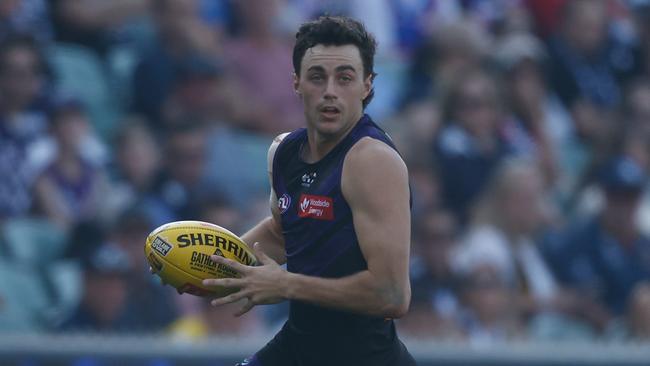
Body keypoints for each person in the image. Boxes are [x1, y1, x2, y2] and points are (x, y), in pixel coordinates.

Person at [200, 16, 415, 366]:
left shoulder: (372, 160)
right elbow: (283, 231)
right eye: (317, 77)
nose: (330, 90)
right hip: (299, 346)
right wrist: (205, 266)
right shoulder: (283, 151)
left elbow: (392, 295)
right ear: (297, 83)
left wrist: (285, 285)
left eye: (345, 78)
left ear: (367, 85)